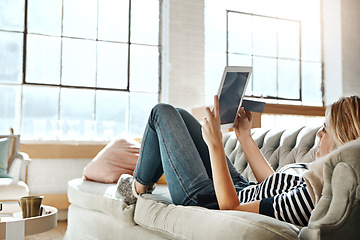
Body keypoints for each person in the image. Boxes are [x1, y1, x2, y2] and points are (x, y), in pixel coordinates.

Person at [117, 95, 360, 226]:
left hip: (211, 200)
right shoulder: (318, 175)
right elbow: (272, 183)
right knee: (179, 114)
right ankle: (142, 181)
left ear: (343, 138)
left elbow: (231, 209)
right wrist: (244, 135)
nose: (319, 134)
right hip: (240, 188)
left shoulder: (312, 197)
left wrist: (216, 145)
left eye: (325, 130)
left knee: (162, 112)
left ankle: (137, 187)